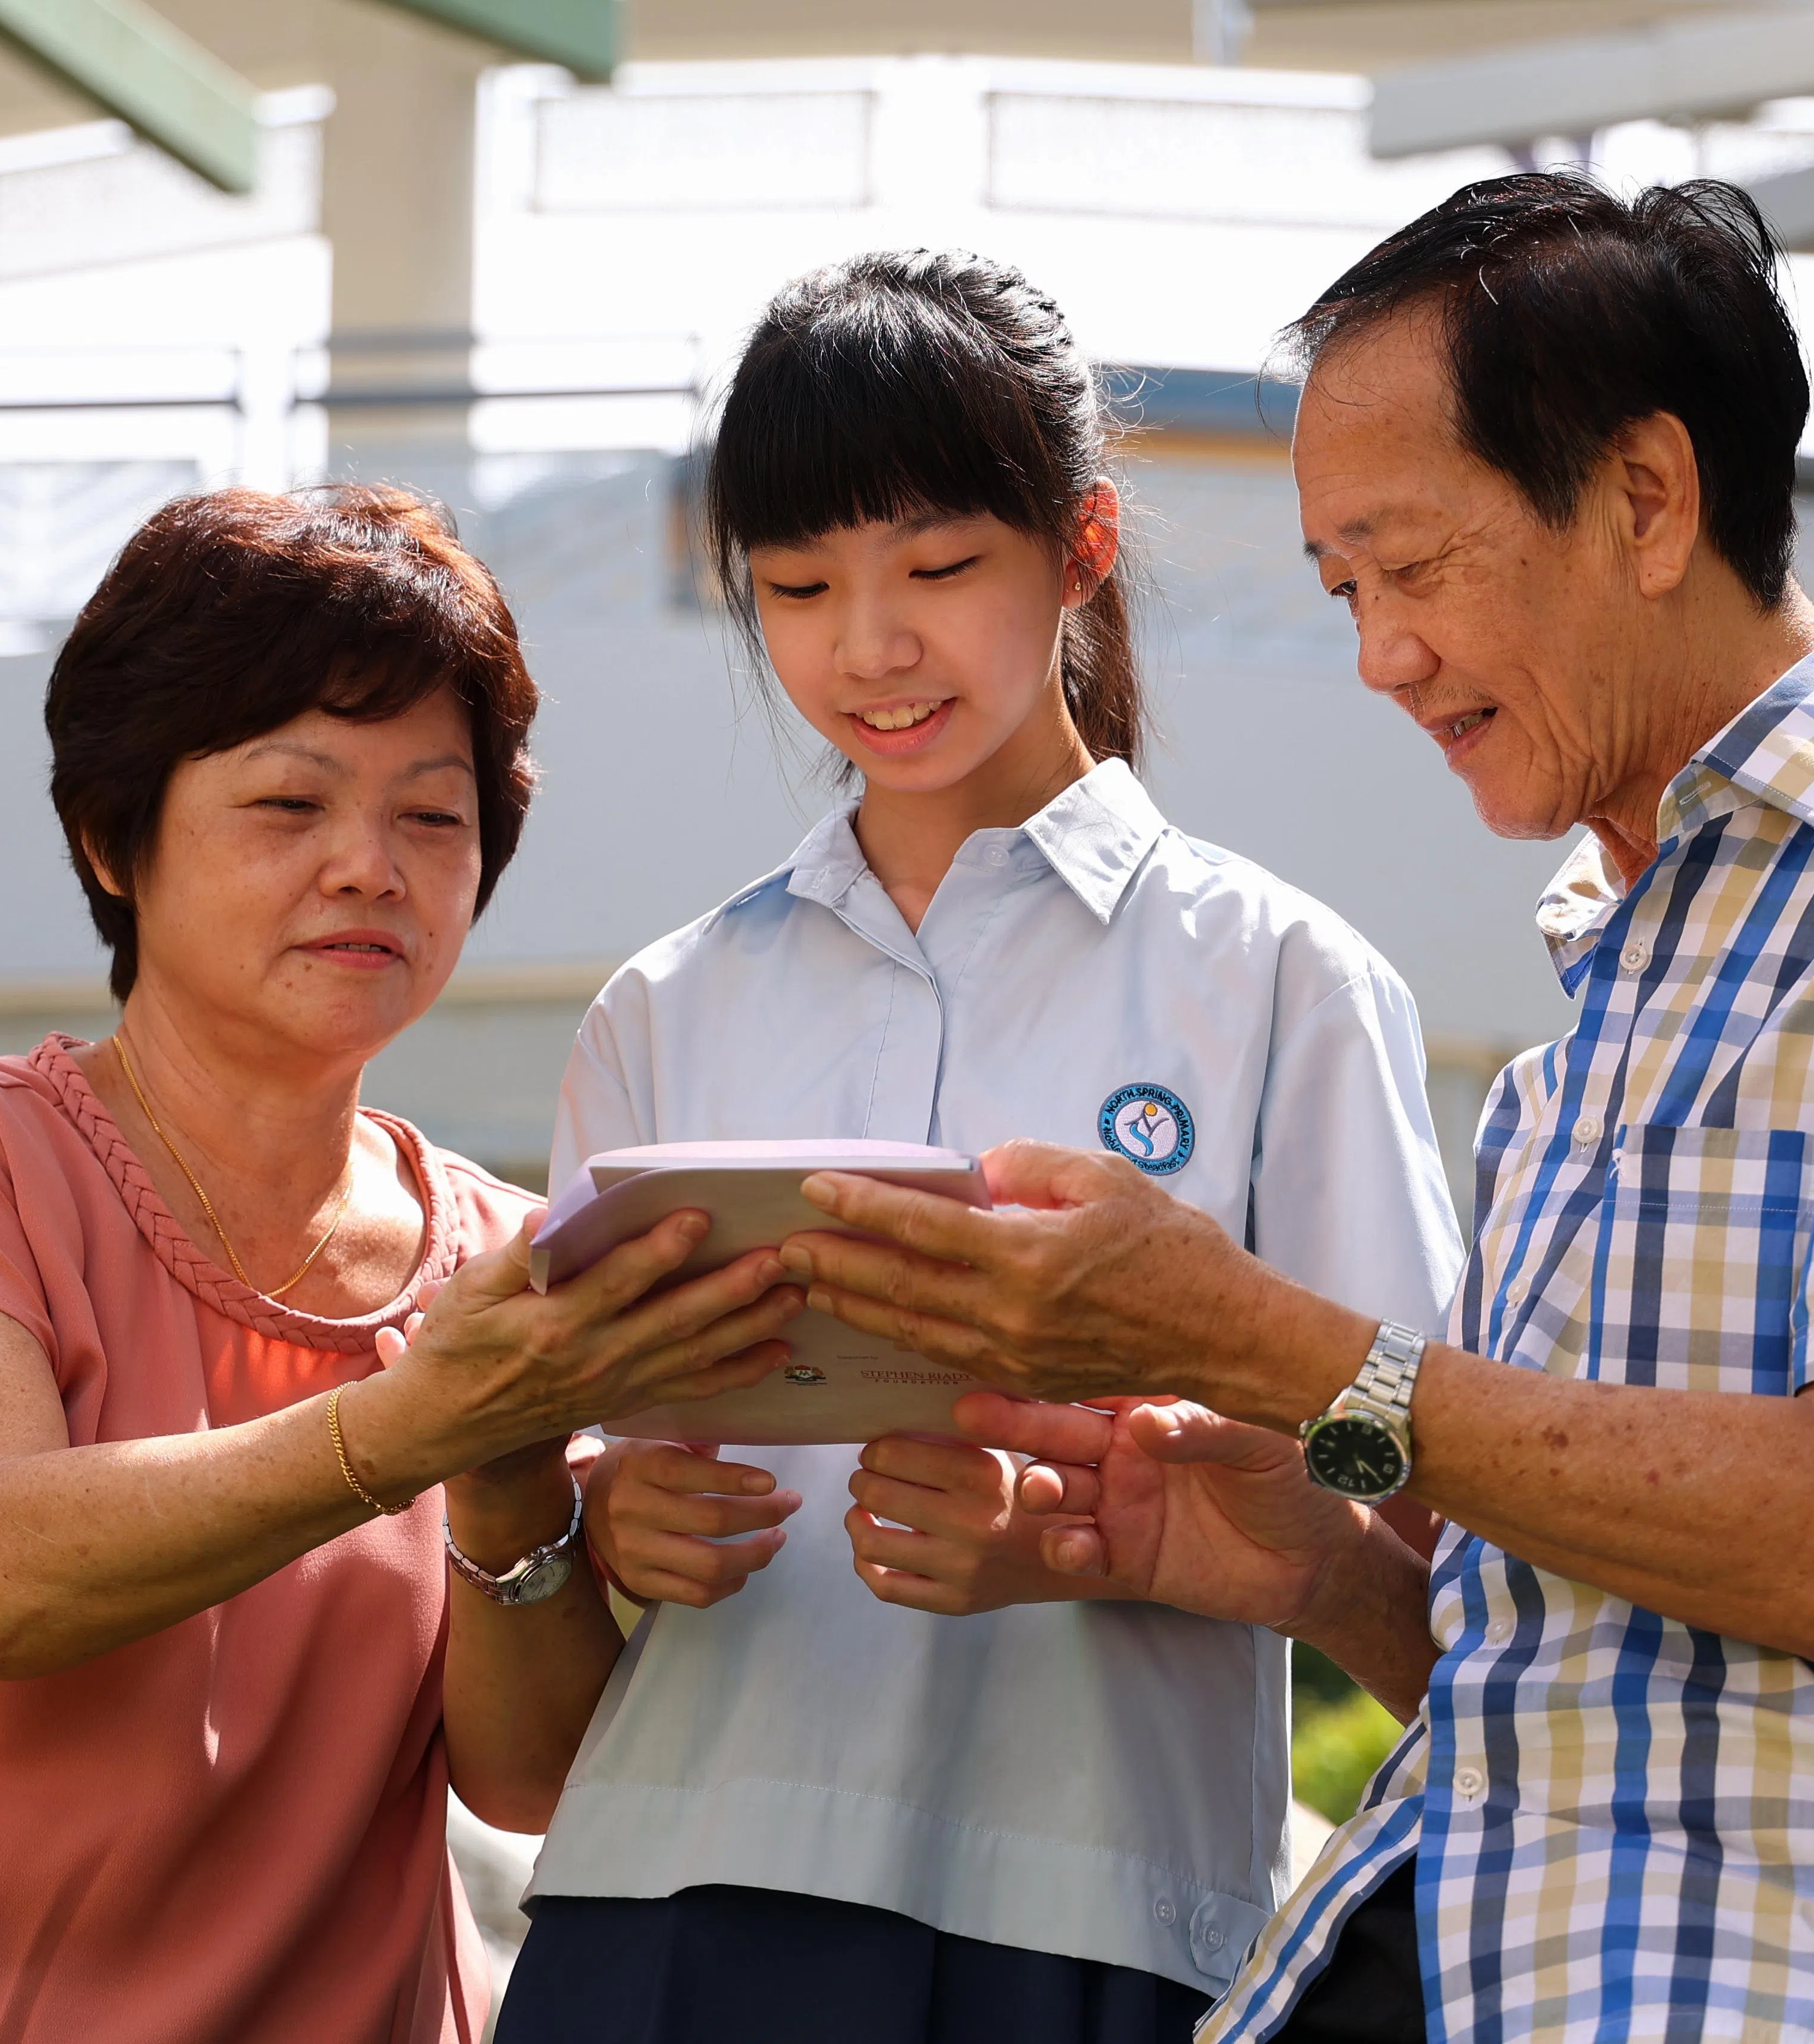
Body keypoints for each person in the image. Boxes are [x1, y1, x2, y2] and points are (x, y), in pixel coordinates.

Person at [780, 179, 1814, 2040]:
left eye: (1413, 567)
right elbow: (1576, 1694)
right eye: (1343, 592)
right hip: (1463, 1966)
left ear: (1646, 499)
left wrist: (1264, 1340)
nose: (1381, 654)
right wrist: (1319, 1569)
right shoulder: (1582, 1043)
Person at [0, 486, 801, 2044]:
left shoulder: (501, 1262)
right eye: (289, 806)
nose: (371, 866)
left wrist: (516, 1503)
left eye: (434, 816)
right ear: (113, 837)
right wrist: (418, 1428)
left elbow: (529, 1783)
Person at [488, 251, 1467, 2044]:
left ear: (1081, 547)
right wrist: (619, 1510)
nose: (869, 646)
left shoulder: (1275, 981)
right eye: (798, 587)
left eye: (940, 568)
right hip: (667, 1893)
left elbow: (1406, 1485)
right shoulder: (665, 1005)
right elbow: (588, 1439)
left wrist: (1099, 1518)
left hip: (1084, 1901)